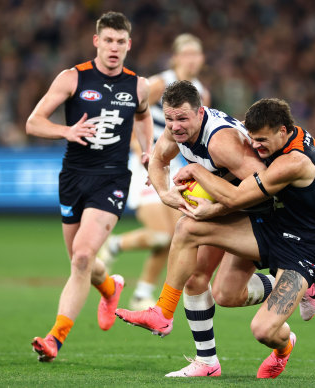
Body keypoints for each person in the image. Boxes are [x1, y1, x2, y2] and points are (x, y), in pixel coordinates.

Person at [117, 98, 315, 379]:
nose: (256, 147)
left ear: (282, 130)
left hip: (301, 245)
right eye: (253, 139)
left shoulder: (293, 162)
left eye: (262, 140)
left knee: (263, 330)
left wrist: (196, 171)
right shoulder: (282, 133)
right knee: (209, 267)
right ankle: (164, 313)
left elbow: (236, 196)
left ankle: (284, 346)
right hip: (267, 225)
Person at [25, 11, 153, 362]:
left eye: (121, 41)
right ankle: (111, 287)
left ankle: (55, 338)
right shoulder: (72, 78)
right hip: (73, 177)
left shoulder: (138, 86)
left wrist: (147, 149)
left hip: (111, 180)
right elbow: (33, 122)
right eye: (108, 40)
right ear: (96, 41)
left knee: (82, 256)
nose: (114, 47)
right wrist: (65, 131)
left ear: (129, 45)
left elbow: (143, 115)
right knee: (81, 263)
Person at [97, 33, 211, 310]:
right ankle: (115, 244)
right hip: (147, 162)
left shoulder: (202, 93)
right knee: (161, 234)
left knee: (176, 235)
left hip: (176, 167)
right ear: (175, 57)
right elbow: (131, 116)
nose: (192, 60)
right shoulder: (160, 83)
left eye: (196, 54)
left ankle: (141, 294)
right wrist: (141, 150)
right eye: (186, 54)